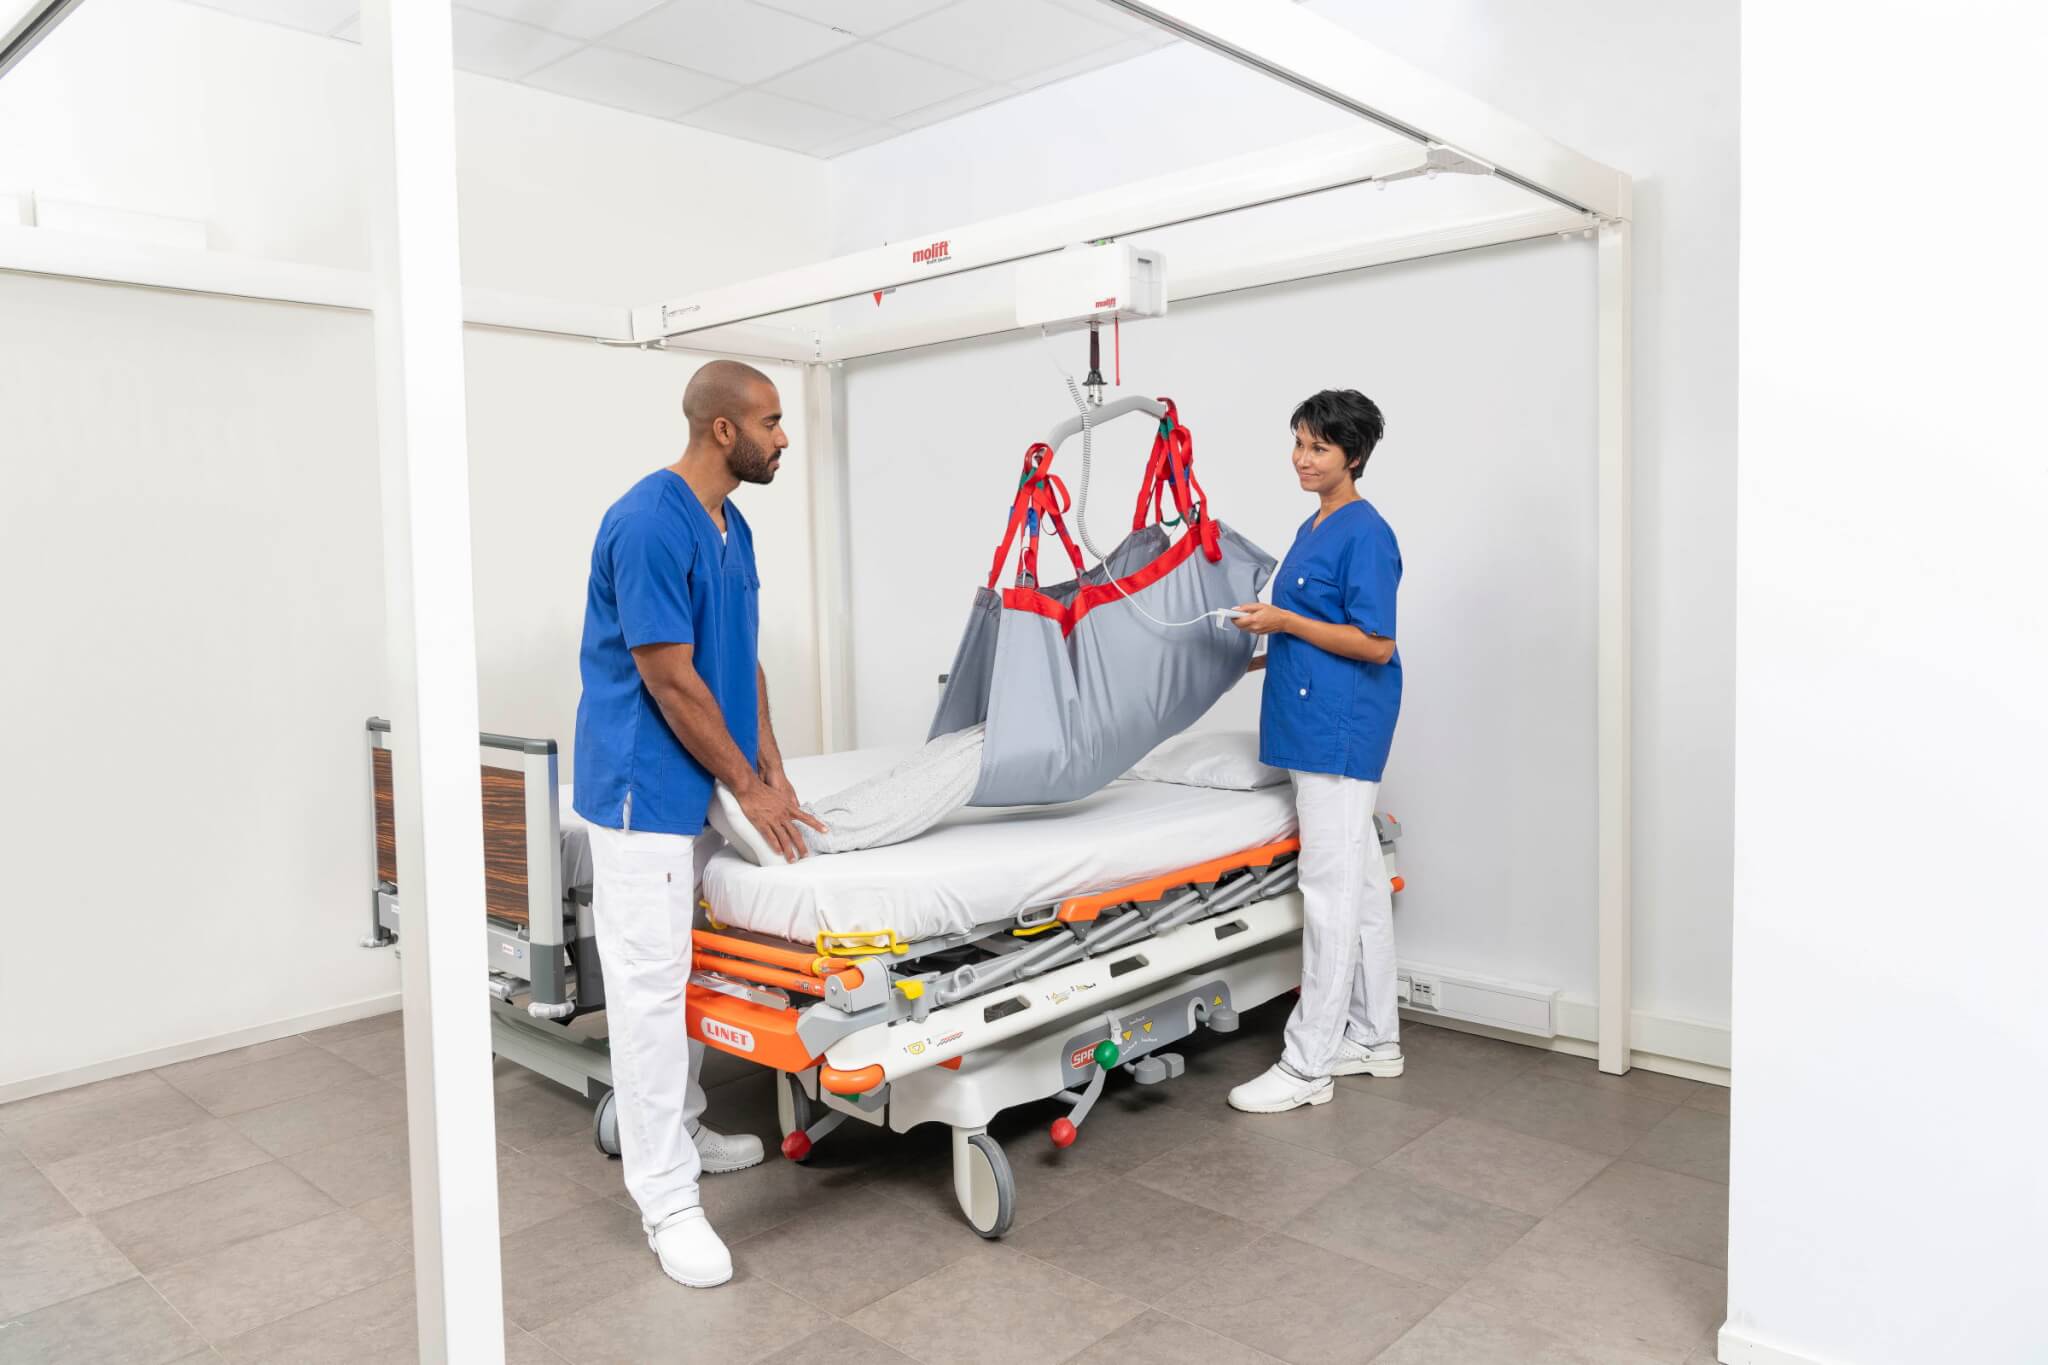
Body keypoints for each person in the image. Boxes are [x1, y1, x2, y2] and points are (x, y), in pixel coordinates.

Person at [571, 359, 827, 1287]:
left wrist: (771, 768)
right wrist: (744, 786)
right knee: (646, 985)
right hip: (644, 788)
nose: (782, 438)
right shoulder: (647, 521)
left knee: (685, 968)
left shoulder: (734, 524)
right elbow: (671, 676)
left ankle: (679, 1125)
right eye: (770, 422)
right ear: (724, 429)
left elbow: (739, 662)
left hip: (707, 780)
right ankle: (667, 1201)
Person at [1226, 389, 1405, 1114]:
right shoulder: (1315, 523)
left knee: (1328, 895)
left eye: (1319, 448)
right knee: (1359, 891)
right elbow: (1306, 628)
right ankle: (1373, 1038)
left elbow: (1375, 641)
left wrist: (1283, 621)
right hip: (1311, 722)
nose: (1302, 459)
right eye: (1298, 443)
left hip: (1340, 727)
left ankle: (1309, 1065)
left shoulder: (1365, 532)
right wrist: (1253, 649)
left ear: (1353, 456)